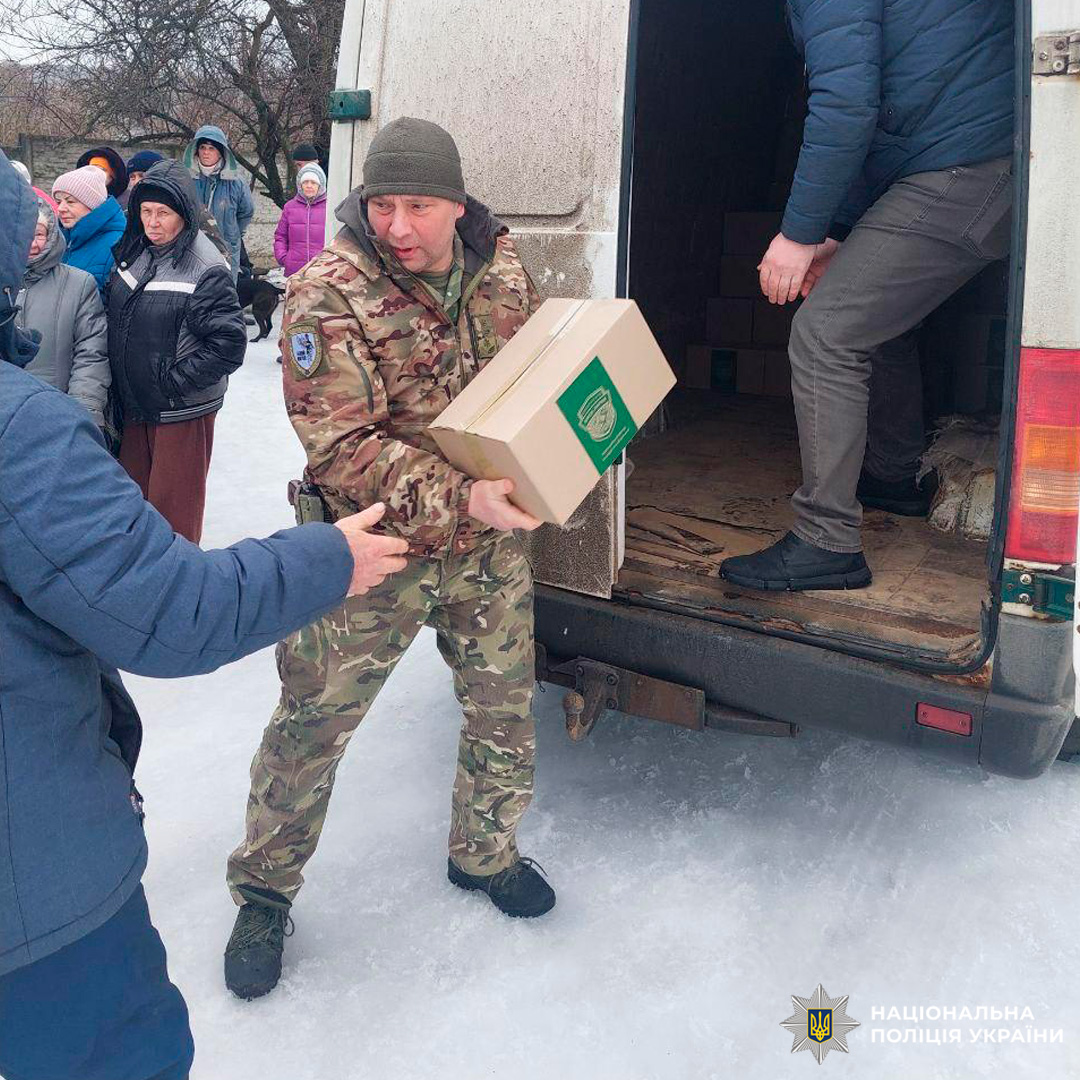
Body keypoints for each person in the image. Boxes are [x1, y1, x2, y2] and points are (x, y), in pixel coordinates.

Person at [0, 148, 410, 1080]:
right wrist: (326, 557)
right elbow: (172, 612)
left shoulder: (200, 267)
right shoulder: (18, 427)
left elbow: (213, 336)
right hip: (39, 910)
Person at [223, 117, 553, 1001]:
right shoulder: (325, 292)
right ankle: (264, 889)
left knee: (503, 706)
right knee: (312, 724)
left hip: (485, 553)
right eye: (383, 204)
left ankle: (484, 854)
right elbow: (341, 447)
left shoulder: (506, 270)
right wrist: (463, 496)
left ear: (458, 204)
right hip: (370, 549)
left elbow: (537, 388)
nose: (398, 225)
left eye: (419, 205)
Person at [720, 0, 1014, 592]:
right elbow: (884, 120)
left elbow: (847, 107)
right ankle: (893, 475)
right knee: (877, 318)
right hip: (963, 157)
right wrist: (837, 231)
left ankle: (825, 540)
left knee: (827, 332)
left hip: (965, 164)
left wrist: (798, 234)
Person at [108, 159, 246, 544]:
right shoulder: (138, 252)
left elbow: (229, 344)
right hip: (136, 406)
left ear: (184, 213)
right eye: (145, 212)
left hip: (179, 412)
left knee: (174, 522)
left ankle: (177, 597)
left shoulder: (203, 266)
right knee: (135, 512)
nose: (153, 223)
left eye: (163, 213)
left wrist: (173, 382)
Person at [17, 196, 111, 427]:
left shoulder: (78, 285)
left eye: (38, 234)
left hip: (56, 416)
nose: (31, 243)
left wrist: (83, 414)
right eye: (23, 233)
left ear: (51, 235)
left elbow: (91, 353)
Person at [182, 124, 254, 282]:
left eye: (211, 148)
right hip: (193, 247)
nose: (206, 152)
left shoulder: (236, 182)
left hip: (226, 249)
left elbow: (246, 212)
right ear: (196, 150)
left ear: (221, 151)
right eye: (202, 147)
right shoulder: (185, 179)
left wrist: (233, 233)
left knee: (223, 294)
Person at [51, 165, 126, 296]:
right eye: (58, 202)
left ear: (93, 204)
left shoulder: (118, 245)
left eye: (70, 201)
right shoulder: (60, 240)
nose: (61, 208)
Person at [273, 161, 328, 276]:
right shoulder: (290, 207)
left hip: (322, 271)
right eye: (305, 182)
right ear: (300, 185)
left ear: (320, 185)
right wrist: (283, 258)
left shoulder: (330, 207)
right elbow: (280, 236)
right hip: (295, 271)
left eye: (313, 182)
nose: (309, 185)